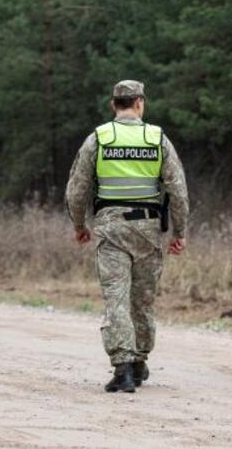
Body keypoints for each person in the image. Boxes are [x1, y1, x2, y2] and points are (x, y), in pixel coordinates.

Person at [65, 80, 189, 393]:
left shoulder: (99, 138)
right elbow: (178, 190)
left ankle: (122, 367)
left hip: (111, 229)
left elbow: (77, 189)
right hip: (147, 230)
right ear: (139, 103)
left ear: (113, 105)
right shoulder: (157, 138)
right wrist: (180, 232)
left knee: (116, 298)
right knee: (143, 300)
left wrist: (79, 225)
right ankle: (139, 360)